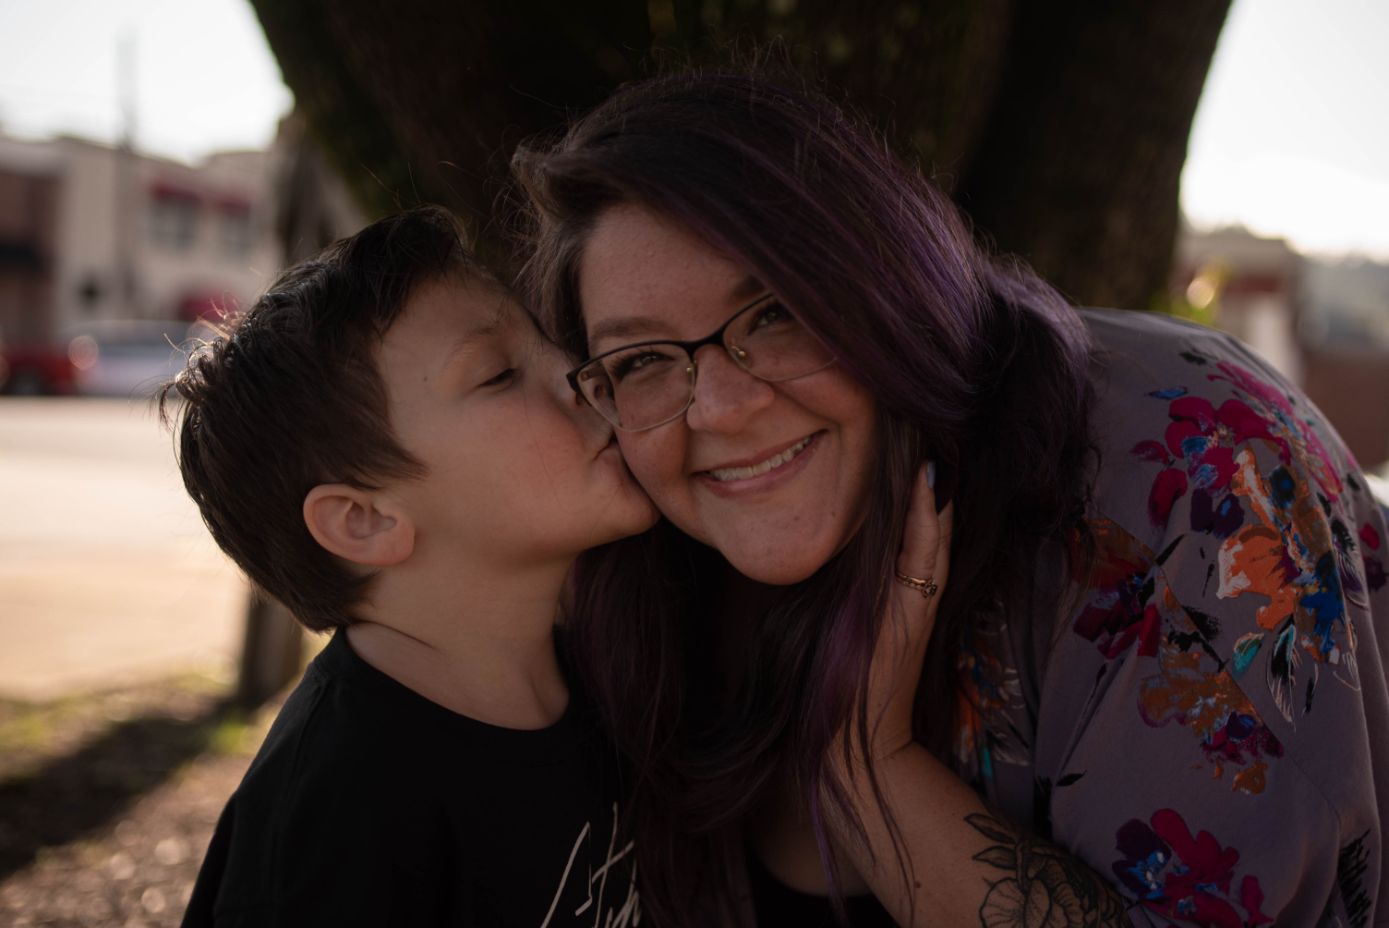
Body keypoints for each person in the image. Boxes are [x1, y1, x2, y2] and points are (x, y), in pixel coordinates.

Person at [512, 69, 1389, 926]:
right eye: (640, 360)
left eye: (775, 313)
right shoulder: (630, 581)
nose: (718, 408)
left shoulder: (1189, 483)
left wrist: (868, 766)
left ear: (883, 284)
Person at [167, 207, 655, 926]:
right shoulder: (338, 813)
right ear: (364, 520)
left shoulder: (609, 672)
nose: (579, 372)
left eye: (550, 341)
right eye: (499, 374)